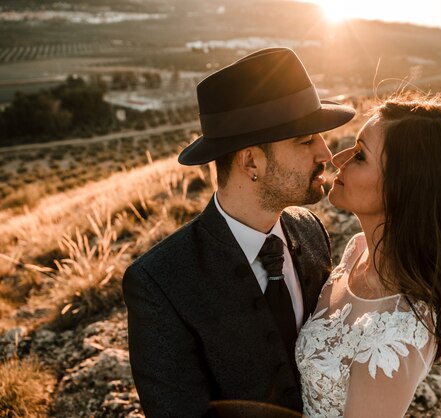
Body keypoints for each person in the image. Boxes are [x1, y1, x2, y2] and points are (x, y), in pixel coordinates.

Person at [122, 47, 355, 417]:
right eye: (305, 140)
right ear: (251, 161)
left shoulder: (311, 232)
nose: (325, 152)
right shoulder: (160, 283)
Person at [296, 97, 441, 417]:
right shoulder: (357, 250)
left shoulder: (400, 331)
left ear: (404, 188)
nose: (338, 159)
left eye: (360, 155)